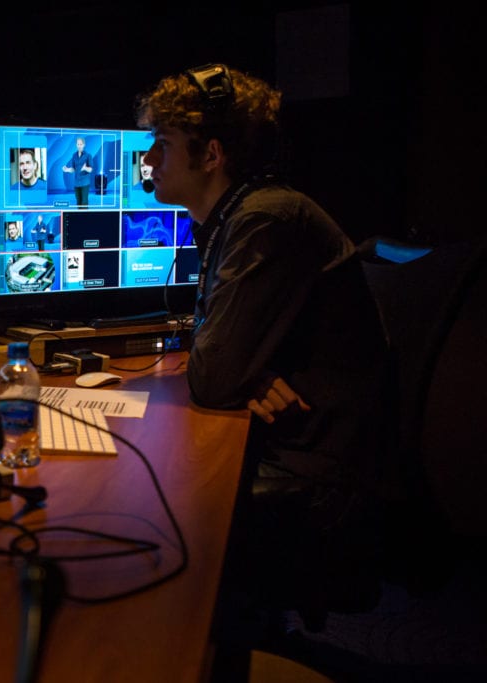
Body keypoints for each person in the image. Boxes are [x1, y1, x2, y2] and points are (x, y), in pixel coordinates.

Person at [135, 64, 392, 626]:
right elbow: (223, 363)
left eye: (163, 144)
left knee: (147, 509)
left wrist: (236, 369)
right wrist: (247, 369)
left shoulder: (266, 220)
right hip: (296, 442)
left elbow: (212, 377)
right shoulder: (242, 217)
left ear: (211, 155)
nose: (148, 160)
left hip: (318, 476)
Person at [62, 137, 93, 207]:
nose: (79, 146)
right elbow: (73, 169)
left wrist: (85, 168)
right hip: (76, 184)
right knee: (78, 203)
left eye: (81, 144)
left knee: (84, 203)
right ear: (76, 145)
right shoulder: (74, 155)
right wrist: (67, 170)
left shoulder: (88, 156)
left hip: (85, 183)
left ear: (84, 145)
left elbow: (91, 169)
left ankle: (84, 217)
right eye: (78, 144)